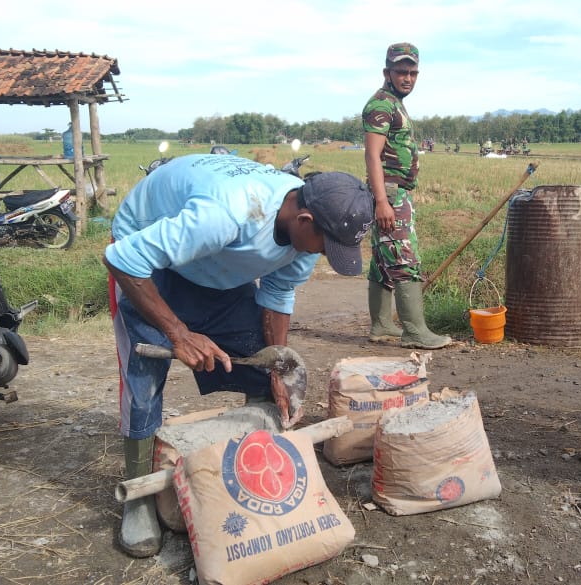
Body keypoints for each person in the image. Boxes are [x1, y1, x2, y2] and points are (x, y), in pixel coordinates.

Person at [102, 154, 374, 556]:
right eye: (326, 244)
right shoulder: (227, 214)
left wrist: (278, 363)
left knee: (261, 368)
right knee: (144, 380)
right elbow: (123, 260)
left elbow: (278, 294)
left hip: (215, 262)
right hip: (145, 260)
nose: (323, 254)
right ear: (305, 221)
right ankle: (139, 499)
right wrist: (179, 334)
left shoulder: (301, 236)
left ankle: (258, 466)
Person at [362, 42, 451, 350]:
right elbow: (372, 156)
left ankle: (382, 324)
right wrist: (384, 201)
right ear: (387, 72)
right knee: (404, 257)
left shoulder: (395, 103)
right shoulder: (382, 105)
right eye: (402, 72)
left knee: (383, 261)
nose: (408, 78)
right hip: (389, 193)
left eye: (413, 73)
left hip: (392, 193)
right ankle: (415, 330)